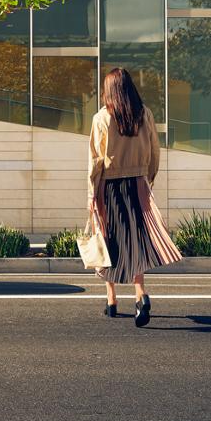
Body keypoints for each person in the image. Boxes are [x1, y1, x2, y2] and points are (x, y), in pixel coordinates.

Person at [87, 68, 181, 327]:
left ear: (109, 90)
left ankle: (112, 299)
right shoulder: (145, 114)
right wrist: (147, 179)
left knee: (109, 242)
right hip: (138, 184)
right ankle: (140, 295)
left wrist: (91, 193)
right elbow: (154, 151)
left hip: (110, 187)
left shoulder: (102, 118)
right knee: (135, 242)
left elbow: (95, 161)